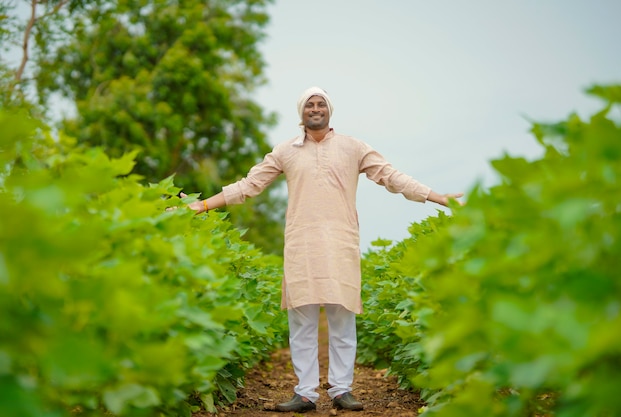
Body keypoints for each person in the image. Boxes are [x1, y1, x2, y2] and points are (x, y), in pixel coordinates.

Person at [181, 86, 464, 413]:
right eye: (309, 105)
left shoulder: (353, 147)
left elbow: (391, 177)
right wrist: (201, 205)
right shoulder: (285, 151)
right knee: (301, 322)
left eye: (321, 104)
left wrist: (439, 196)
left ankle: (342, 390)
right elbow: (248, 186)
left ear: (329, 110)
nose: (315, 109)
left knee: (342, 320)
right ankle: (305, 394)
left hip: (341, 241)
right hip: (301, 243)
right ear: (301, 113)